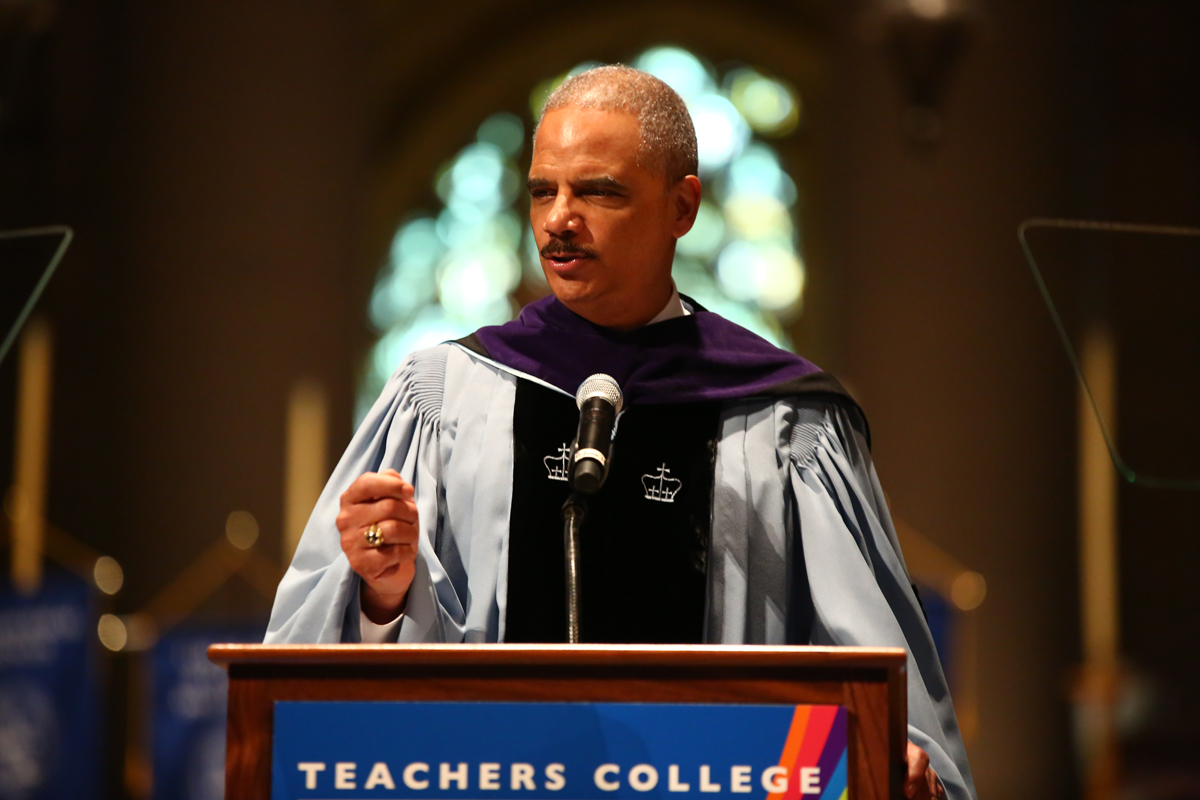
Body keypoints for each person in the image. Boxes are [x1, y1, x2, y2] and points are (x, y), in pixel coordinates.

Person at [267, 65, 973, 800]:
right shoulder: (445, 395)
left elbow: (871, 672)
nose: (558, 219)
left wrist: (898, 758)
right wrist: (384, 592)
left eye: (597, 191)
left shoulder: (783, 418)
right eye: (543, 190)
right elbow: (332, 681)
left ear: (682, 206)